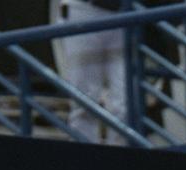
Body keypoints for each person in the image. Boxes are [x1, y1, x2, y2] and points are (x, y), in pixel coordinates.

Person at [51, 0, 128, 144]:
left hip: (122, 13)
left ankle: (119, 161)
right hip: (83, 11)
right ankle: (83, 161)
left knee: (124, 102)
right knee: (85, 101)